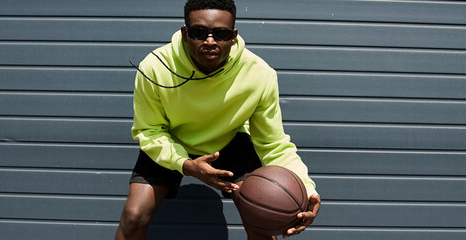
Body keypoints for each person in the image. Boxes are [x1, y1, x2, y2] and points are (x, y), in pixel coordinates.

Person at [115, 0, 320, 239]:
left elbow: (273, 144)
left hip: (228, 141)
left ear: (233, 36)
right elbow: (149, 130)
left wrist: (307, 191)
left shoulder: (259, 74)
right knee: (133, 217)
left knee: (262, 220)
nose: (210, 41)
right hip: (170, 140)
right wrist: (185, 164)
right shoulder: (155, 67)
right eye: (199, 32)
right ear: (185, 33)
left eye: (221, 34)